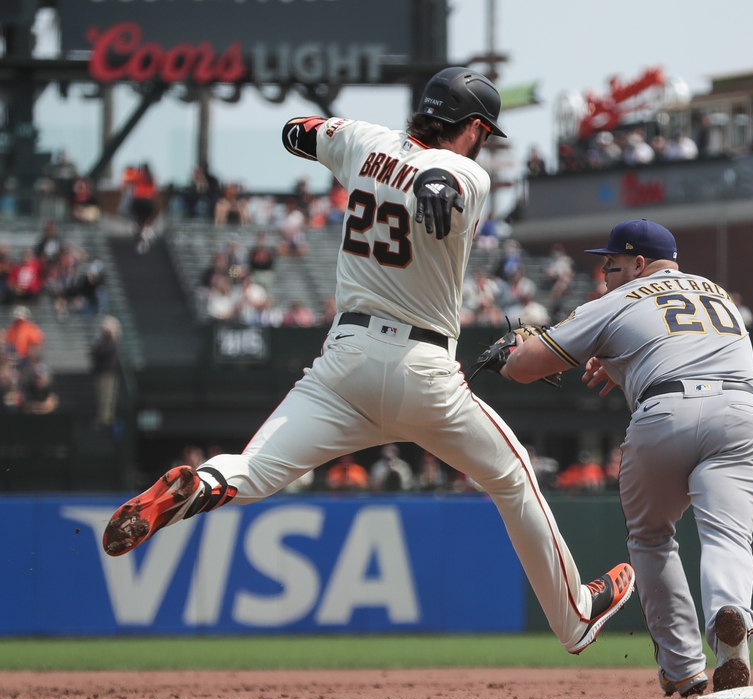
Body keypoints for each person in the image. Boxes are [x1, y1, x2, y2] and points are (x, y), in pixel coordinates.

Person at [100, 66, 634, 657]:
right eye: (484, 132)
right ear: (474, 127)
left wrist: (349, 151)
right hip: (421, 369)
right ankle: (576, 617)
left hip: (342, 366)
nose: (484, 143)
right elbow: (449, 185)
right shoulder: (466, 171)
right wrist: (432, 186)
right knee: (514, 479)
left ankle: (199, 484)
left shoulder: (362, 140)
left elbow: (294, 131)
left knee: (255, 470)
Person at [495, 219, 753, 697]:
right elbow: (679, 344)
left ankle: (683, 668)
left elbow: (525, 367)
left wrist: (512, 352)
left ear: (639, 264)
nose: (604, 273)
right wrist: (620, 366)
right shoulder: (718, 293)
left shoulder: (617, 300)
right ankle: (732, 620)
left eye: (612, 263)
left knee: (651, 537)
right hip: (742, 410)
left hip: (665, 412)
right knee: (727, 534)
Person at [91, 315, 121, 429]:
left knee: (107, 397)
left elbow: (102, 351)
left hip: (108, 373)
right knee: (101, 397)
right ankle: (102, 419)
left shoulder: (112, 343)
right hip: (100, 372)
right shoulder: (102, 342)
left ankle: (106, 420)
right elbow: (96, 351)